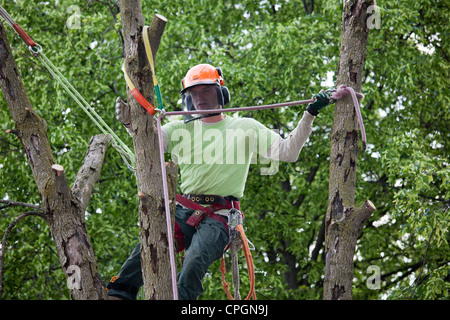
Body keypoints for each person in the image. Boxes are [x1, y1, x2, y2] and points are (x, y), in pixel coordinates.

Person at [107, 63, 333, 300]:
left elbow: (288, 151)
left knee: (194, 263)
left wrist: (310, 114)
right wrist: (131, 125)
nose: (199, 98)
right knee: (146, 249)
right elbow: (147, 146)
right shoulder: (177, 129)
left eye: (205, 91)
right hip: (184, 209)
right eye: (194, 94)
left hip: (221, 216)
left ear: (221, 94)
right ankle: (119, 294)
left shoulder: (244, 127)